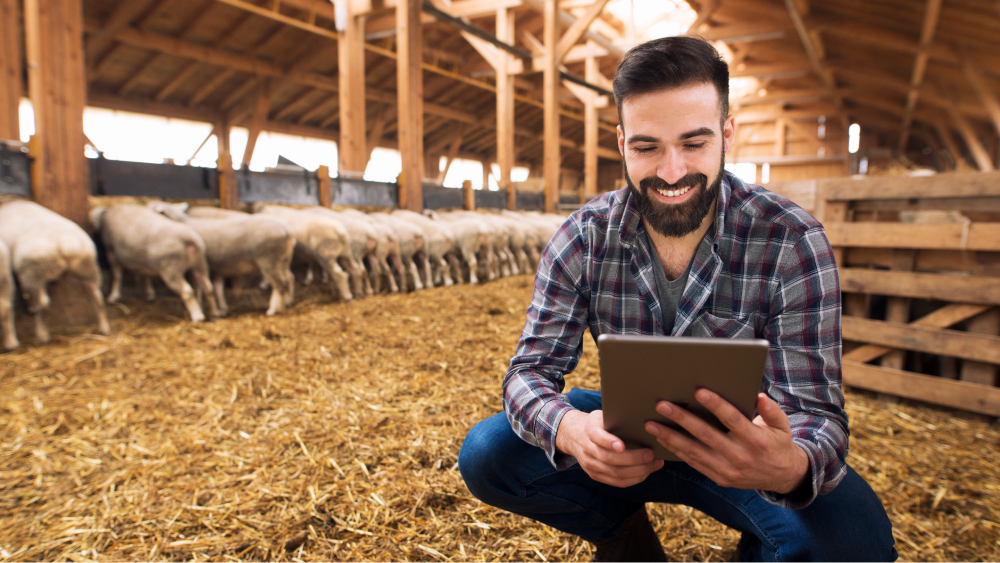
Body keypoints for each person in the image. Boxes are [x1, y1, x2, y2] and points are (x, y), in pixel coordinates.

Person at [458, 36, 897, 563]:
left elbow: (816, 411)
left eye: (694, 143)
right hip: (627, 435)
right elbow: (528, 371)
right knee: (489, 453)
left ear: (727, 134)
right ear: (621, 142)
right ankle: (622, 536)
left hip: (743, 446)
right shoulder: (583, 237)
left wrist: (791, 465)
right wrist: (573, 431)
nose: (671, 172)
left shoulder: (791, 240)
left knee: (857, 545)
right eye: (647, 147)